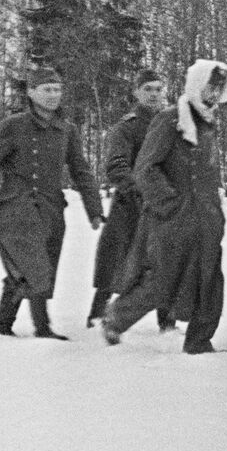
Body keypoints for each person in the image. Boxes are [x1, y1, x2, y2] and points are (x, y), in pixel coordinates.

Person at [0, 68, 104, 340]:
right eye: (46, 89)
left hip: (51, 209)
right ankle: (42, 328)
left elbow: (81, 171)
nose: (53, 95)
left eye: (57, 89)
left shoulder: (66, 131)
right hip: (15, 207)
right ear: (31, 93)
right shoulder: (14, 126)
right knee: (34, 265)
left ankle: (2, 325)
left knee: (30, 269)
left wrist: (94, 208)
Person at [102, 60, 227, 354]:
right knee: (163, 281)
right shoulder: (170, 119)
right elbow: (145, 168)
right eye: (209, 85)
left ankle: (199, 341)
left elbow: (208, 175)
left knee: (211, 281)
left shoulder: (208, 122)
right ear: (196, 84)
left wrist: (216, 211)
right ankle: (116, 317)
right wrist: (170, 203)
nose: (213, 93)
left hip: (206, 219)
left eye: (218, 87)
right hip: (174, 219)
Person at [88, 68, 170, 329]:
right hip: (130, 205)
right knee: (115, 263)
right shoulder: (127, 127)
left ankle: (166, 321)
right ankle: (97, 315)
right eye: (148, 89)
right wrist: (140, 188)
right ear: (136, 92)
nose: (154, 94)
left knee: (164, 261)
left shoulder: (171, 123)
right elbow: (116, 166)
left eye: (158, 89)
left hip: (161, 207)